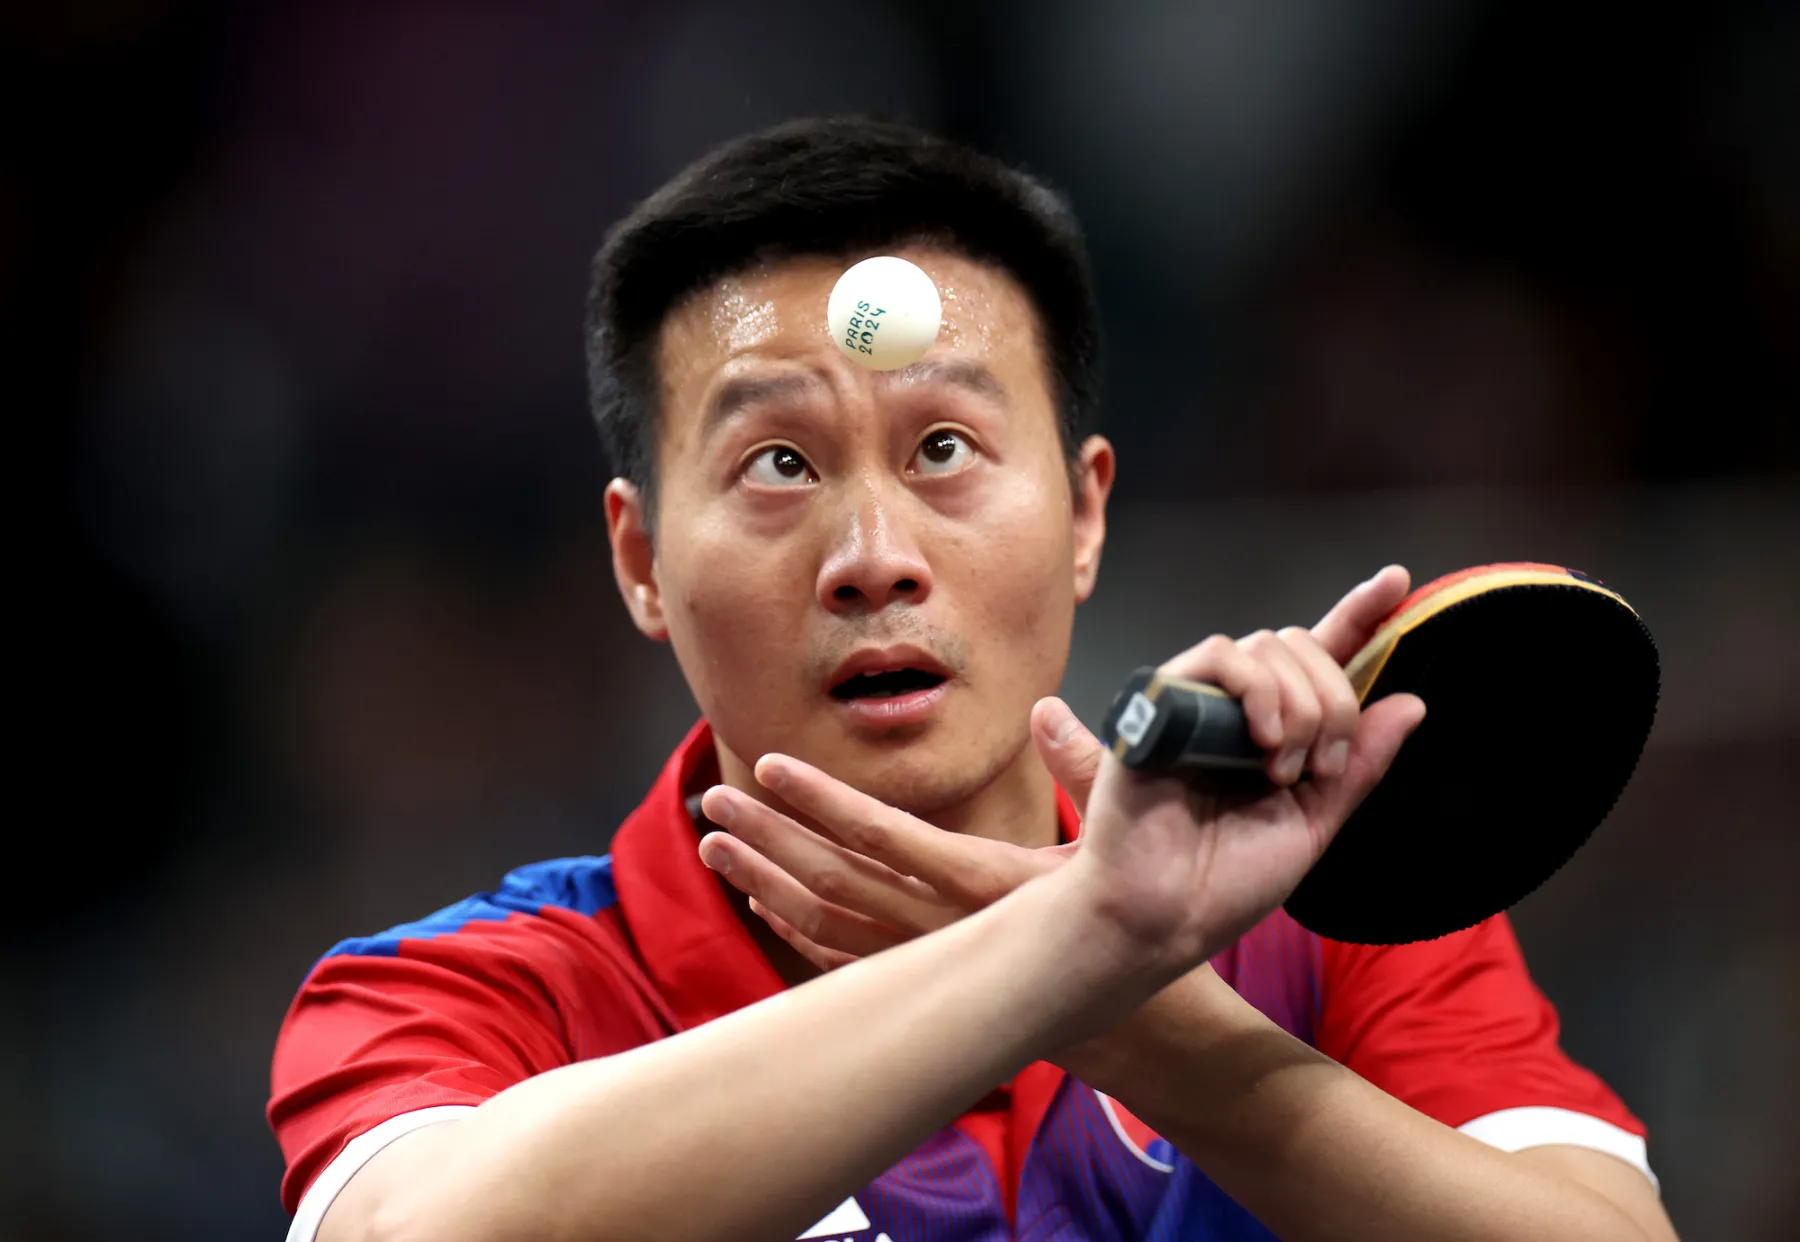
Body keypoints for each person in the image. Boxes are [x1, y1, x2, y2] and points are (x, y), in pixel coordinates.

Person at [267, 117, 1678, 1242]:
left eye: (944, 448)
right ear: (639, 559)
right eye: (779, 464)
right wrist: (1082, 941)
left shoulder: (1327, 921)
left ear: (1083, 515)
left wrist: (1156, 1020)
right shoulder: (472, 993)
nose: (873, 556)